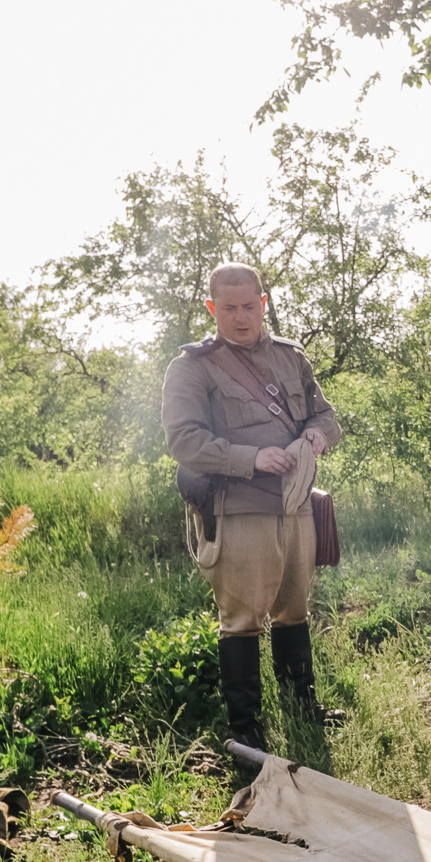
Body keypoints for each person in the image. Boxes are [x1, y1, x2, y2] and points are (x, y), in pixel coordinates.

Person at [161, 262, 340, 752]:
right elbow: (183, 440)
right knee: (241, 620)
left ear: (263, 304)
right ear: (211, 308)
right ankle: (246, 730)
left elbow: (326, 414)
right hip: (238, 507)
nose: (241, 318)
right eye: (229, 308)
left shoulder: (290, 358)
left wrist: (316, 433)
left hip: (296, 505)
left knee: (294, 609)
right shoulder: (192, 367)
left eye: (249, 307)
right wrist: (252, 458)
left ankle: (302, 707)